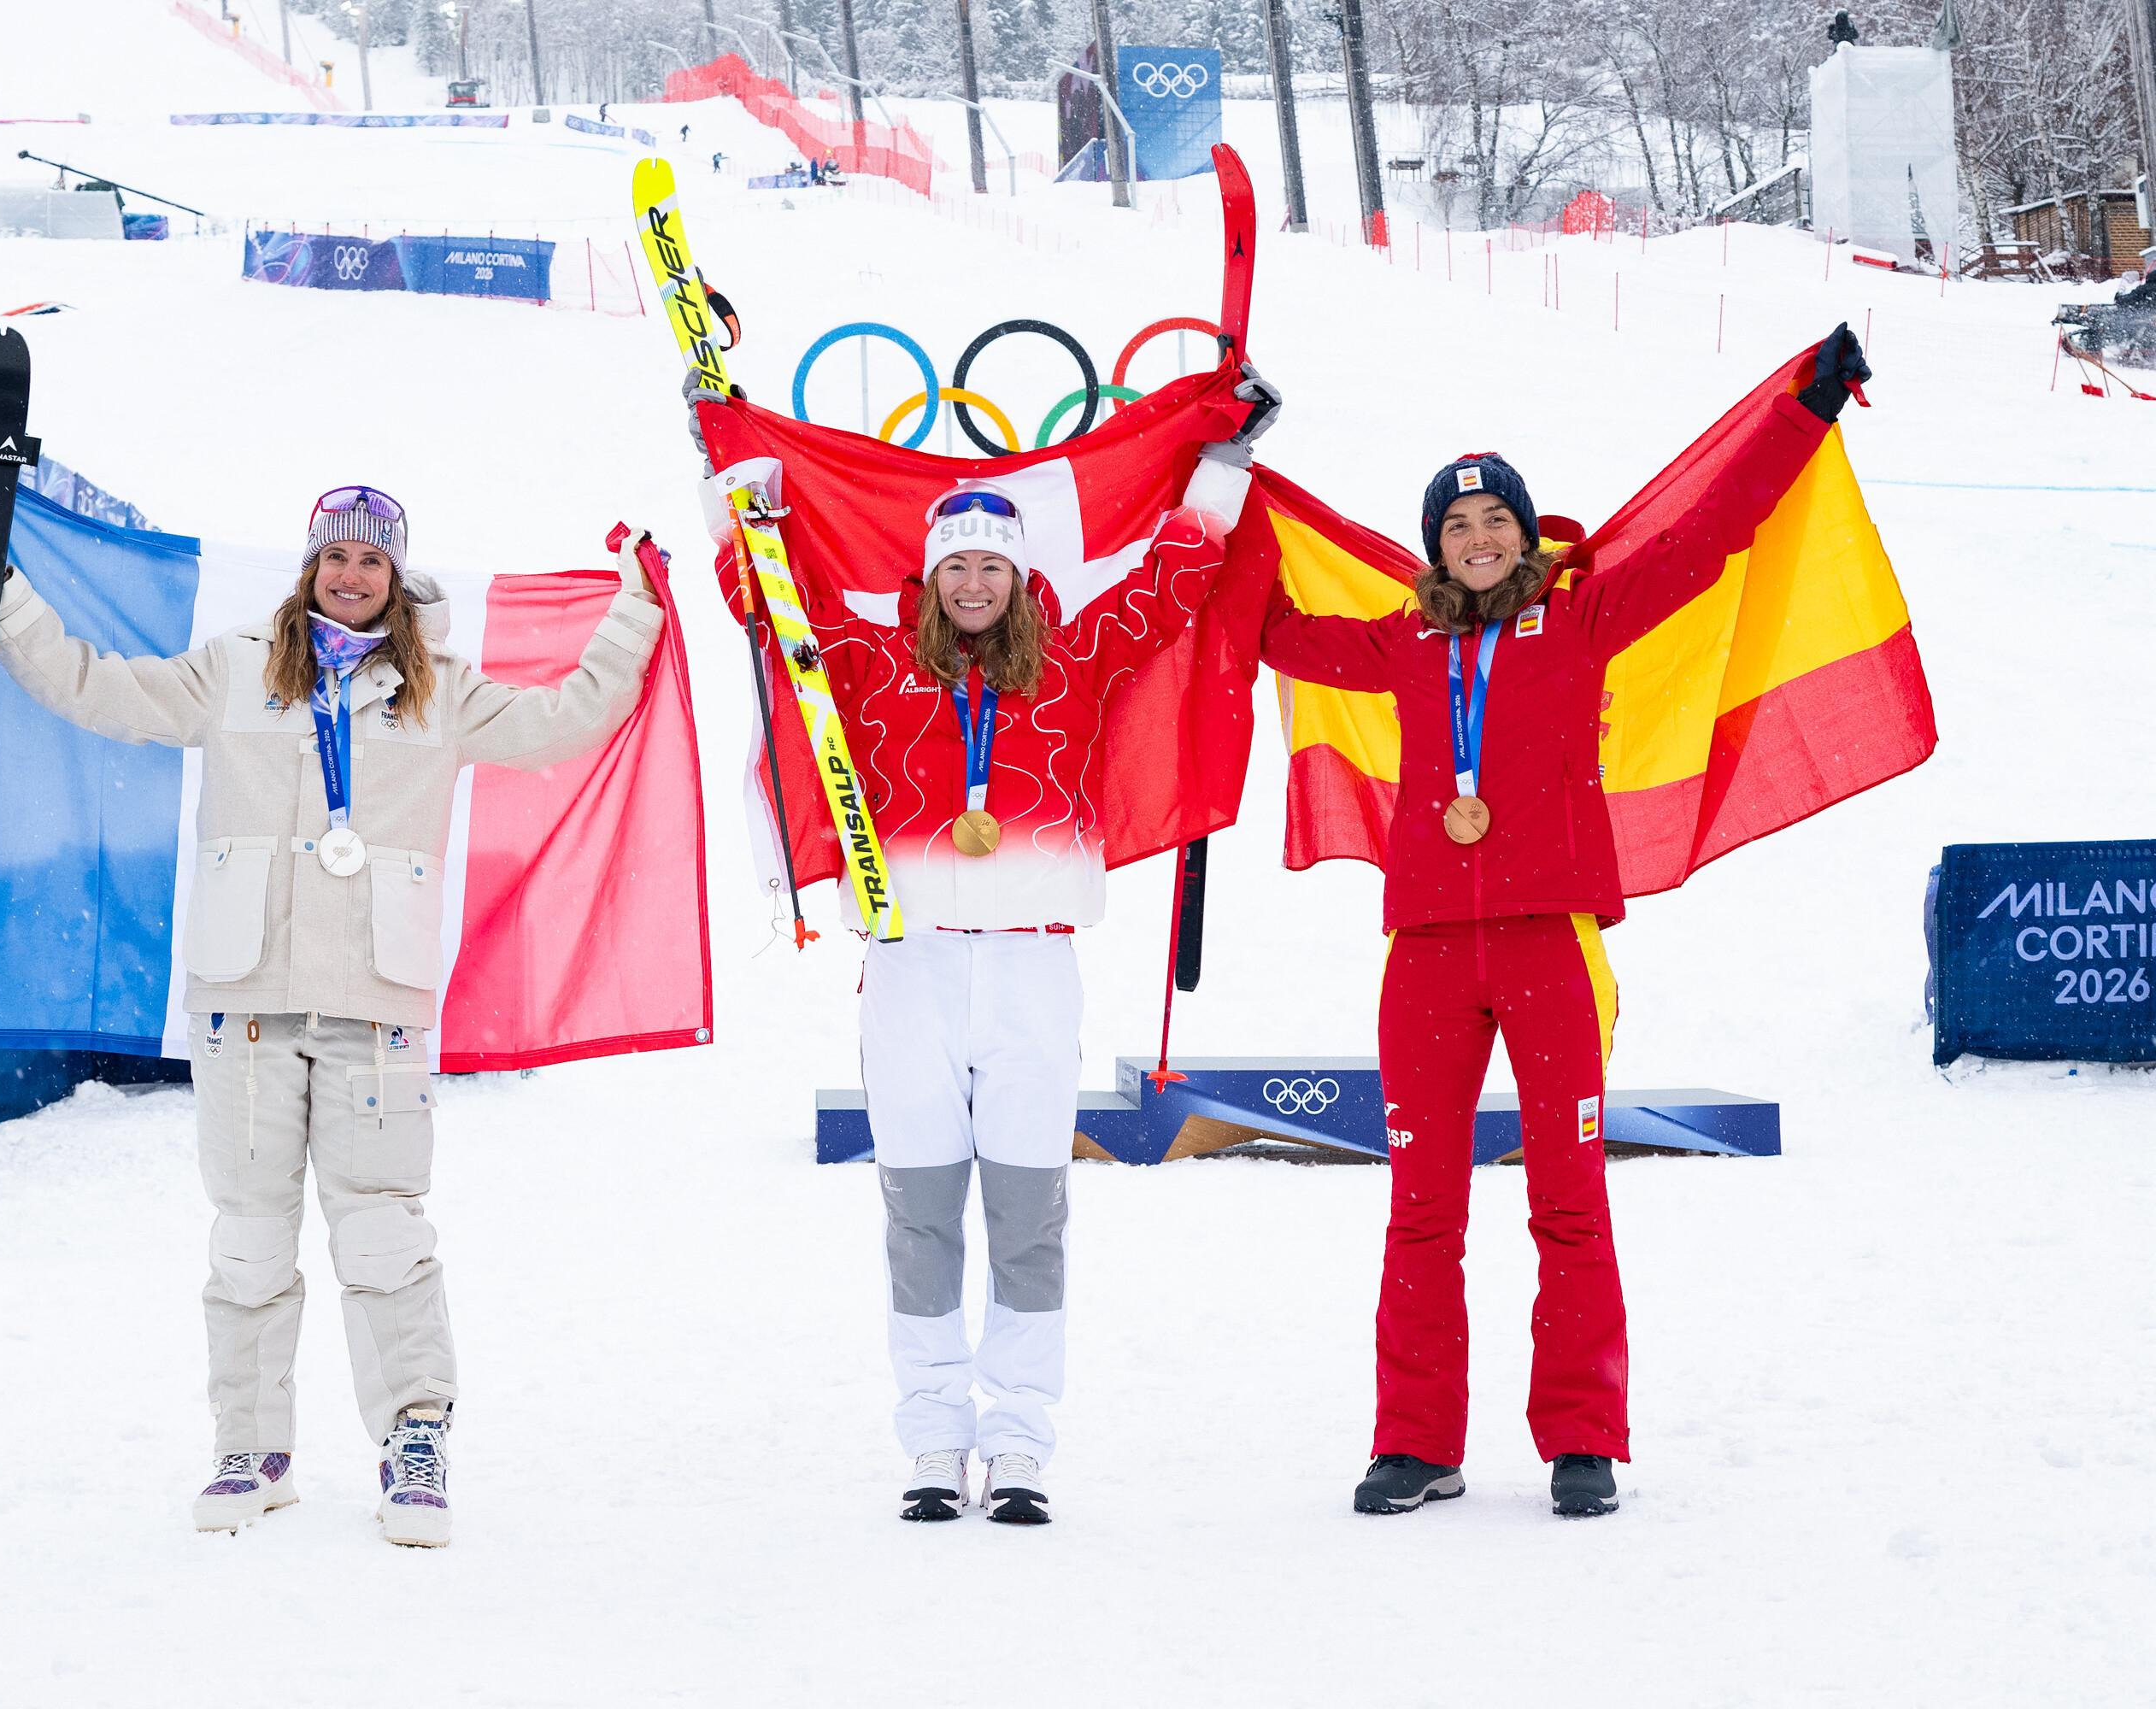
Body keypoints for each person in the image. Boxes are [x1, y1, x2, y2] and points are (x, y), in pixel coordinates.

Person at [0, 487, 668, 1546]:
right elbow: (93, 687)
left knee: (383, 1234)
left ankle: (414, 1441)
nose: (353, 575)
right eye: (337, 557)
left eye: (373, 560)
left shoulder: (442, 692)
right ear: (311, 567)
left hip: (376, 1002)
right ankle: (252, 1447)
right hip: (246, 1002)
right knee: (247, 1237)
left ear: (397, 578)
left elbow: (571, 717)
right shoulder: (233, 667)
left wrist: (639, 606)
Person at [1256, 325, 1871, 1520]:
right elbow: (1277, 634)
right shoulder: (1405, 640)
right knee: (1421, 1207)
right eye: (1455, 526)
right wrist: (1211, 494)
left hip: (1548, 946)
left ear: (1526, 536)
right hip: (1428, 954)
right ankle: (1416, 1443)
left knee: (1567, 1197)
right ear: (1435, 546)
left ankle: (1582, 1439)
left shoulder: (1583, 620)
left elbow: (1708, 540)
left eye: (1496, 524)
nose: (1478, 542)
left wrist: (1804, 413)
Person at [708, 371, 1279, 1525]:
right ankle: (931, 1445)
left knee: (1029, 1214)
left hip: (1031, 969)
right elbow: (771, 601)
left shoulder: (1074, 661)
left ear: (1020, 579)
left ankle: (1018, 1445)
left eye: (993, 565)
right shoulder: (868, 666)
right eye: (956, 563)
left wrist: (1229, 463)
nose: (974, 582)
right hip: (912, 970)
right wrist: (727, 472)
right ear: (931, 577)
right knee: (919, 1218)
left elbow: (1175, 581)